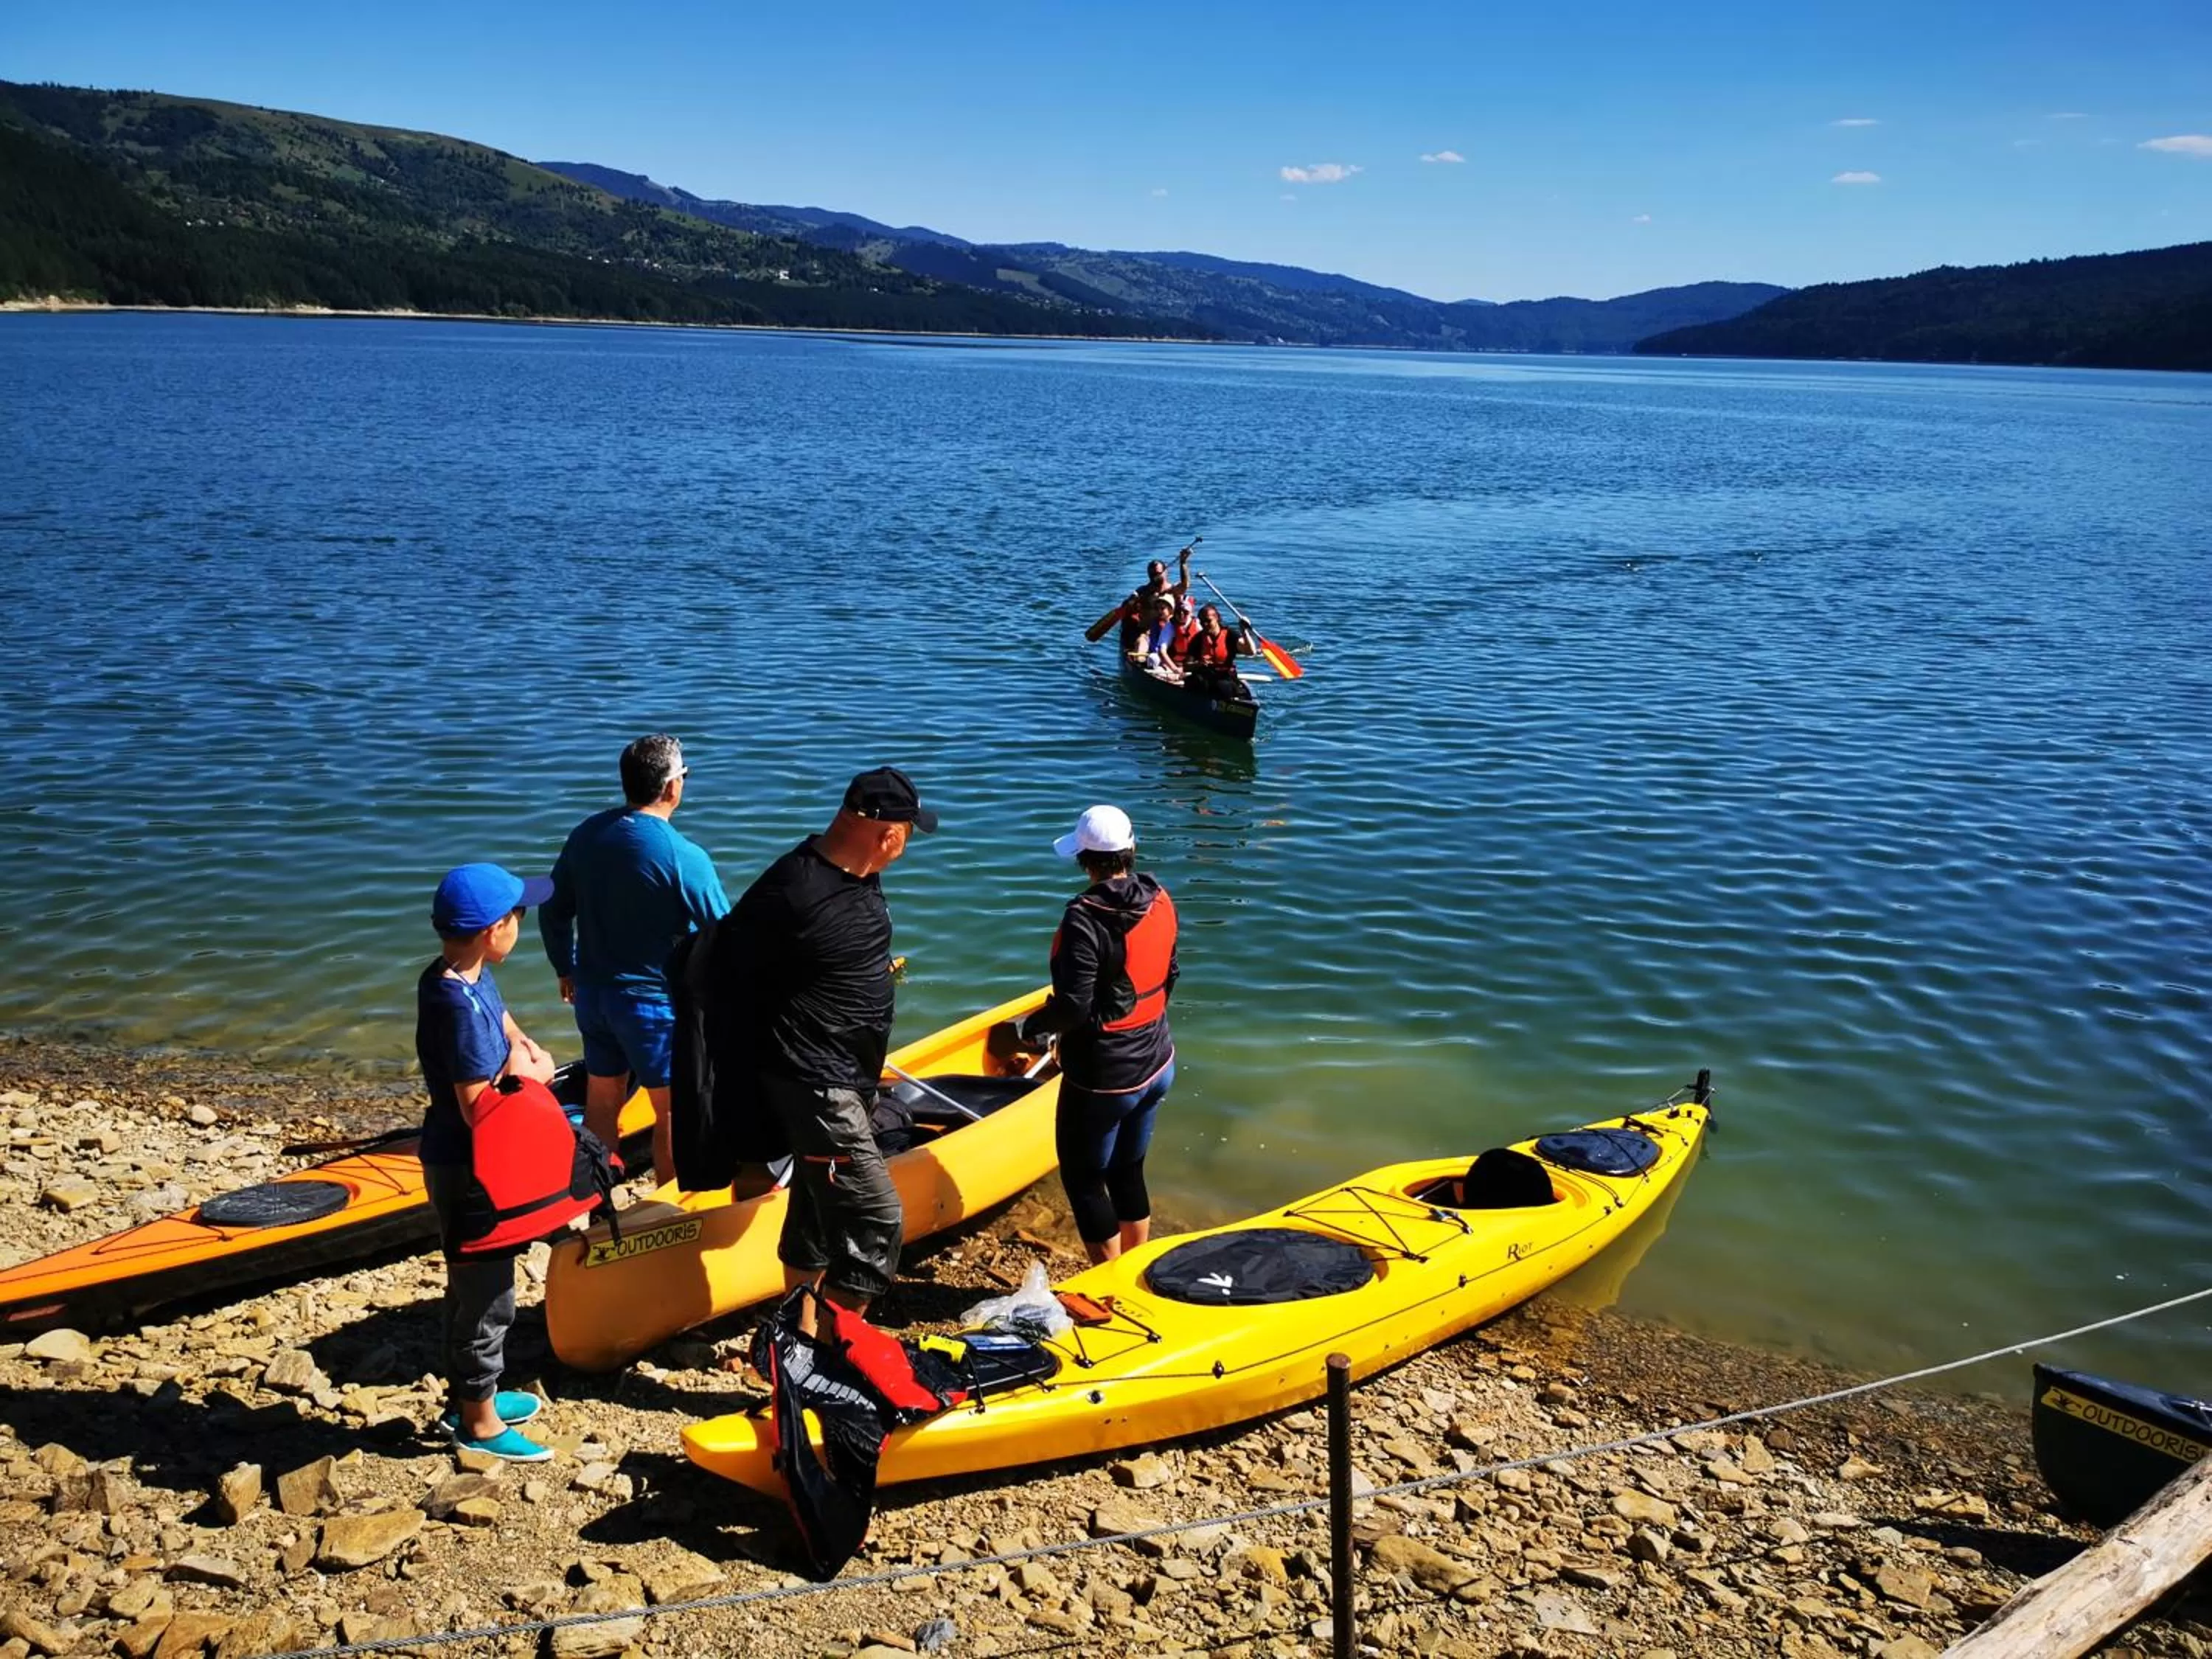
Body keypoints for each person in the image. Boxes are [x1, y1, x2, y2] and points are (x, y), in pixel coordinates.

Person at [714, 767, 937, 1336]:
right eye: (909, 834)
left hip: (848, 1075)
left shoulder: (857, 874)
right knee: (876, 1218)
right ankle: (836, 1349)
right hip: (819, 1087)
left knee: (815, 1209)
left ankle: (798, 1336)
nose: (907, 846)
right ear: (888, 835)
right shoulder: (793, 891)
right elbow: (722, 970)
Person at [417, 862, 561, 1462]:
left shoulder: (459, 973)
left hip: (464, 1159)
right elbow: (480, 1107)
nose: (522, 923)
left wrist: (521, 1043)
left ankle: (474, 1396)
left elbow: (498, 1017)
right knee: (487, 1295)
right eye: (519, 916)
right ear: (493, 929)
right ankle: (477, 1421)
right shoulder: (456, 1005)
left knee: (471, 1284)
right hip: (470, 1167)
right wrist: (531, 1078)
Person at [540, 734, 729, 1186]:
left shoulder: (587, 835)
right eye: (685, 775)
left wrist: (564, 966)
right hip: (652, 1007)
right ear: (672, 787)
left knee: (603, 1100)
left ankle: (596, 1200)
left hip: (593, 996)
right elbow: (726, 937)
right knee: (673, 1111)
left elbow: (553, 909)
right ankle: (669, 1208)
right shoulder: (683, 856)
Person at [995, 805, 1178, 1265]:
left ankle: (1109, 1285)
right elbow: (1170, 974)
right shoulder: (1160, 896)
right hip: (1159, 1061)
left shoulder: (1084, 918)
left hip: (1106, 1080)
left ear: (1083, 860)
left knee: (1084, 1180)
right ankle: (1135, 1269)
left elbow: (1074, 1007)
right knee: (1128, 1169)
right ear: (1131, 849)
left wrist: (1034, 1029)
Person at [1113, 547, 1193, 654]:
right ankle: (1140, 659)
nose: (1154, 577)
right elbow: (1129, 604)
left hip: (1171, 632)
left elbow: (1185, 585)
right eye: (1152, 574)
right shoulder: (1143, 591)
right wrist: (1131, 601)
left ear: (1166, 572)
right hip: (1147, 633)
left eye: (1157, 573)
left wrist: (1183, 563)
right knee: (1141, 644)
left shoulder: (1173, 590)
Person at [1177, 602, 1255, 695]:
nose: (1205, 624)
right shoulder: (1198, 639)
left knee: (1221, 687)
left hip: (1225, 677)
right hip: (1205, 677)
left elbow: (1251, 651)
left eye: (1208, 621)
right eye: (1202, 622)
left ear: (1217, 618)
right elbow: (1186, 666)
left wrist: (1244, 632)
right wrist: (1199, 664)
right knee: (1194, 682)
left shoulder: (1230, 635)